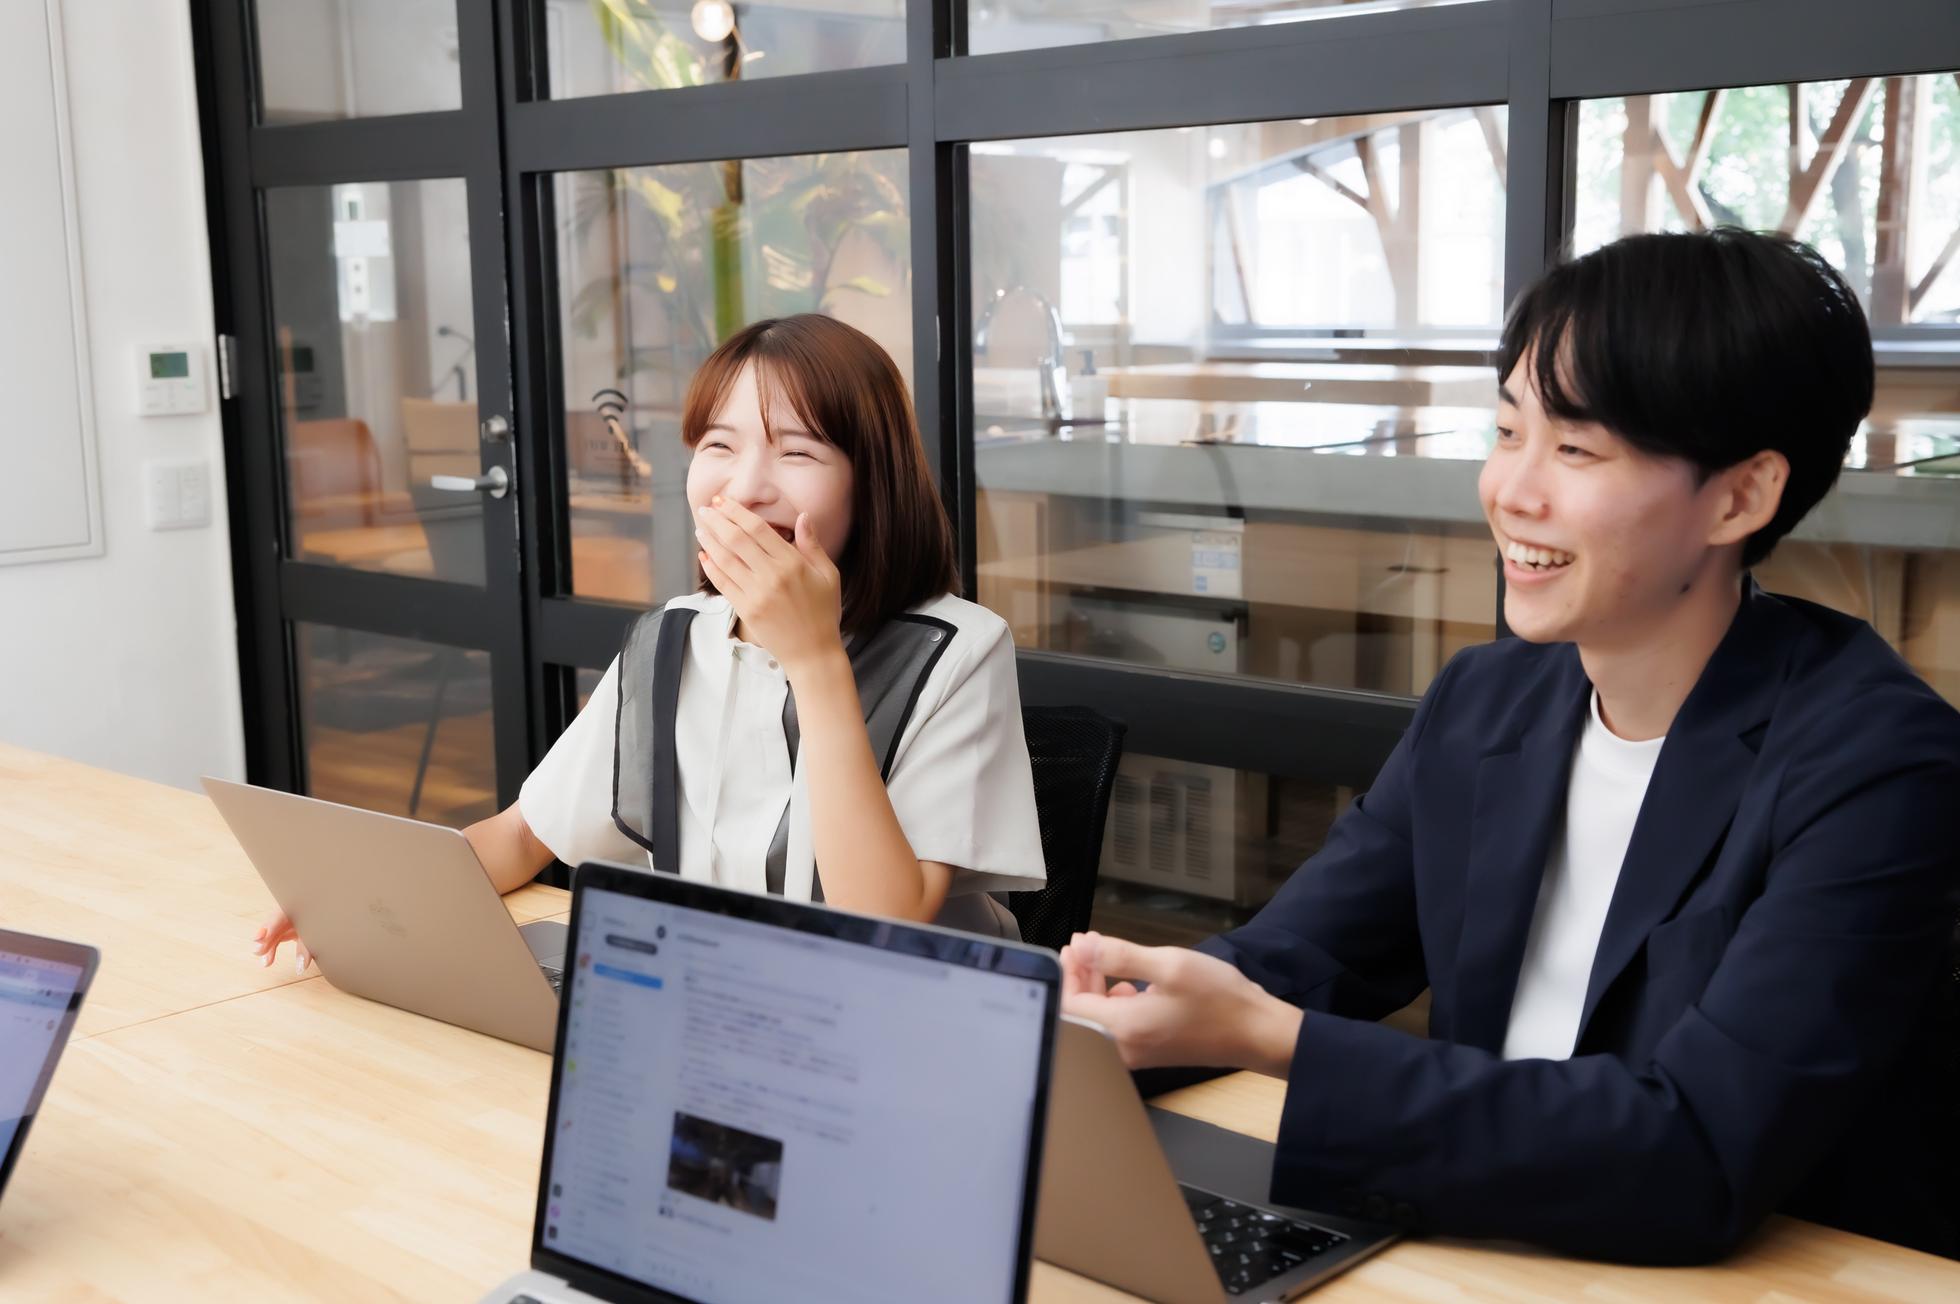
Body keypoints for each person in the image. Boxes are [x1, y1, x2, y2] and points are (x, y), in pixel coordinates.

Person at [1060, 229, 1960, 1263]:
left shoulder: (1880, 766)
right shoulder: (1486, 701)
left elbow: (1697, 1151)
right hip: (1483, 1245)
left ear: (1739, 496)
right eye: (1505, 432)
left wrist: (1274, 1038)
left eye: (1575, 450)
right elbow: (1296, 960)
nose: (1512, 491)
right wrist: (1075, 1023)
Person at [255, 315, 1046, 971]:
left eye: (798, 451)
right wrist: (361, 900)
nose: (745, 488)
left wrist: (813, 658)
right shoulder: (674, 635)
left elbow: (885, 928)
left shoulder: (961, 649)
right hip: (715, 993)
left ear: (874, 483)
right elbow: (526, 832)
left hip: (906, 1022)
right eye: (719, 447)